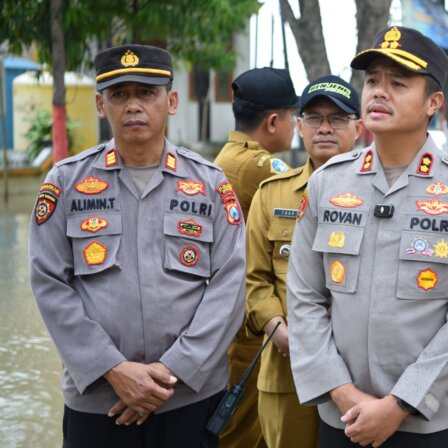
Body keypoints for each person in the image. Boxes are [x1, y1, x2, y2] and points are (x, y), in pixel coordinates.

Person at [286, 26, 448, 447]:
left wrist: (401, 403)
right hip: (342, 417)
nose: (378, 93)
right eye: (372, 81)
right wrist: (342, 392)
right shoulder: (328, 182)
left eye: (398, 84)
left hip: (425, 424)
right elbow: (304, 297)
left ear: (433, 103)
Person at [28, 44, 245, 447]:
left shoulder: (210, 184)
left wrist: (171, 373)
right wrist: (113, 369)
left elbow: (230, 286)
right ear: (100, 104)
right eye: (119, 94)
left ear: (171, 101)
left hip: (187, 398)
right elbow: (49, 284)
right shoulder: (66, 183)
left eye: (146, 93)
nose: (133, 106)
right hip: (98, 399)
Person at [245, 75, 363, 448]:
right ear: (299, 126)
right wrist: (274, 325)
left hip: (359, 377)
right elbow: (253, 279)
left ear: (359, 128)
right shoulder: (271, 195)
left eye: (337, 118)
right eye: (314, 118)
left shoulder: (381, 197)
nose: (324, 128)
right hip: (287, 373)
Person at [213, 67, 297, 448]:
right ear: (274, 121)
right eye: (295, 117)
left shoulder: (227, 156)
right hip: (251, 328)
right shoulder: (260, 167)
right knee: (245, 432)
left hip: (232, 318)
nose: (297, 126)